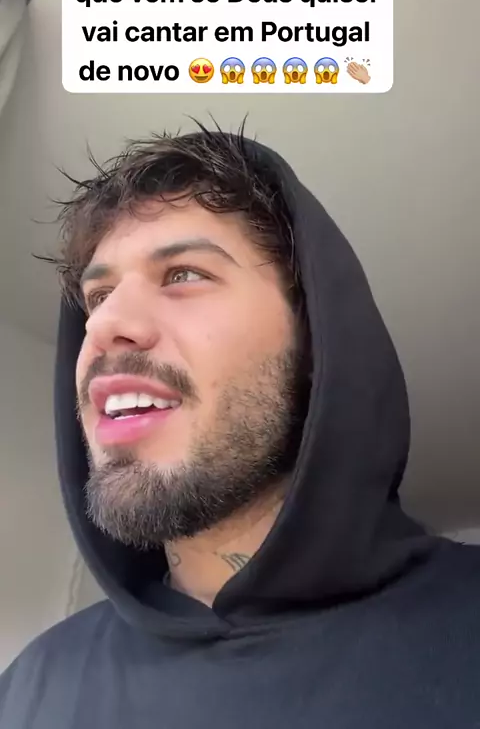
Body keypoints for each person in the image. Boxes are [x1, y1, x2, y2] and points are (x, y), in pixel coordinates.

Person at [1, 124, 479, 728]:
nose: (103, 326)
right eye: (98, 296)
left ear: (317, 343)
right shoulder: (26, 689)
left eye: (183, 274)